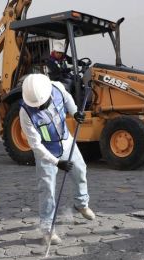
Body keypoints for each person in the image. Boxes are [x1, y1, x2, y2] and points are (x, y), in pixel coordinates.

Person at [19, 73, 95, 245]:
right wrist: (56, 162)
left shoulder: (57, 88)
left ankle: (81, 204)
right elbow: (35, 145)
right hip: (46, 152)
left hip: (68, 143)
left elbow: (68, 99)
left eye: (41, 104)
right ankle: (47, 229)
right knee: (46, 190)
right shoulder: (25, 112)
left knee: (80, 171)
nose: (39, 108)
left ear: (48, 95)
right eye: (35, 106)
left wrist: (75, 112)